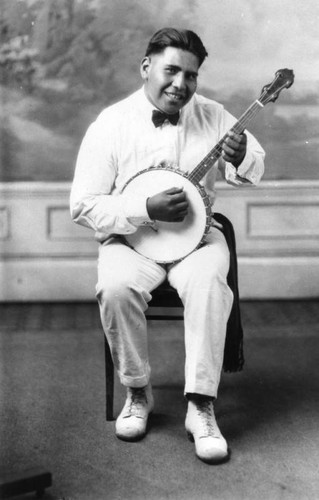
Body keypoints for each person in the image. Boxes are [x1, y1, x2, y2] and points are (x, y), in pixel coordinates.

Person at [70, 27, 265, 464]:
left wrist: (238, 157)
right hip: (132, 239)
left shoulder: (214, 115)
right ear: (146, 68)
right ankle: (138, 392)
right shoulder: (112, 124)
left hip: (199, 239)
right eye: (171, 70)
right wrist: (144, 207)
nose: (181, 84)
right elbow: (82, 205)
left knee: (210, 283)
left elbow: (256, 167)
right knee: (116, 287)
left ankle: (201, 406)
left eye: (191, 76)